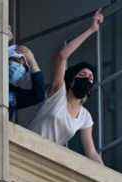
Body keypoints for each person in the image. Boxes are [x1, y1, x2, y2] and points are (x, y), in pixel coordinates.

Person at [28, 9, 104, 164]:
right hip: (29, 147)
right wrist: (91, 30)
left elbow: (91, 152)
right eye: (83, 75)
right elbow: (62, 56)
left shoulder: (85, 117)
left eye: (91, 78)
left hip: (48, 159)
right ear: (72, 79)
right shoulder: (58, 94)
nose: (87, 78)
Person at [8, 45, 46, 121]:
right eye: (18, 61)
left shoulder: (14, 93)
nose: (21, 67)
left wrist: (32, 61)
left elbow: (39, 95)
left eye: (25, 67)